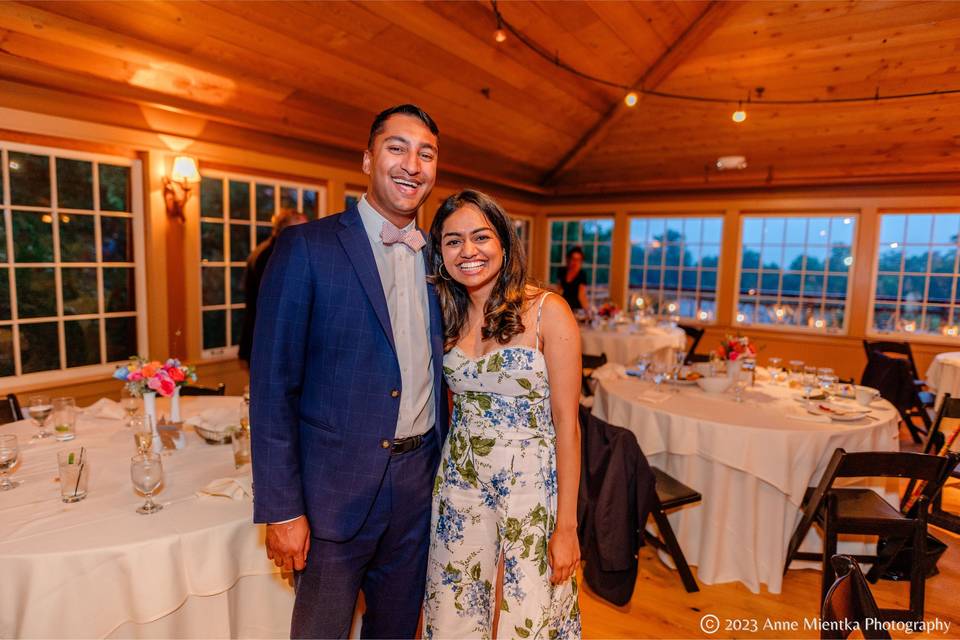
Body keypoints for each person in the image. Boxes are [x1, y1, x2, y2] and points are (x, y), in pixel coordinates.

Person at [249, 104, 448, 639]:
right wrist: (283, 509)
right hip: (331, 492)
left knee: (396, 628)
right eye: (397, 148)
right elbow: (272, 388)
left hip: (417, 484)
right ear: (367, 159)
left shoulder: (440, 261)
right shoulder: (306, 248)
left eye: (425, 153)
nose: (412, 164)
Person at [423, 190, 582, 639]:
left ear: (505, 242)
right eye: (453, 241)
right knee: (451, 607)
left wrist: (567, 527)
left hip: (530, 489)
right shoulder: (444, 316)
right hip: (459, 484)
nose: (468, 251)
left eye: (480, 237)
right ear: (441, 253)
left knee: (530, 617)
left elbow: (568, 427)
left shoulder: (548, 312)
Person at [238, 208, 308, 366]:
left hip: (260, 337)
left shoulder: (265, 249)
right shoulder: (273, 254)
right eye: (301, 229)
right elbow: (276, 303)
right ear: (285, 229)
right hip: (268, 340)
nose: (306, 234)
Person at [558, 247, 590, 311]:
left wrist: (588, 310)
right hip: (564, 306)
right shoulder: (562, 271)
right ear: (569, 259)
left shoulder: (582, 274)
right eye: (573, 259)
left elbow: (582, 296)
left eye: (578, 260)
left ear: (581, 261)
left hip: (577, 308)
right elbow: (559, 290)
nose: (575, 262)